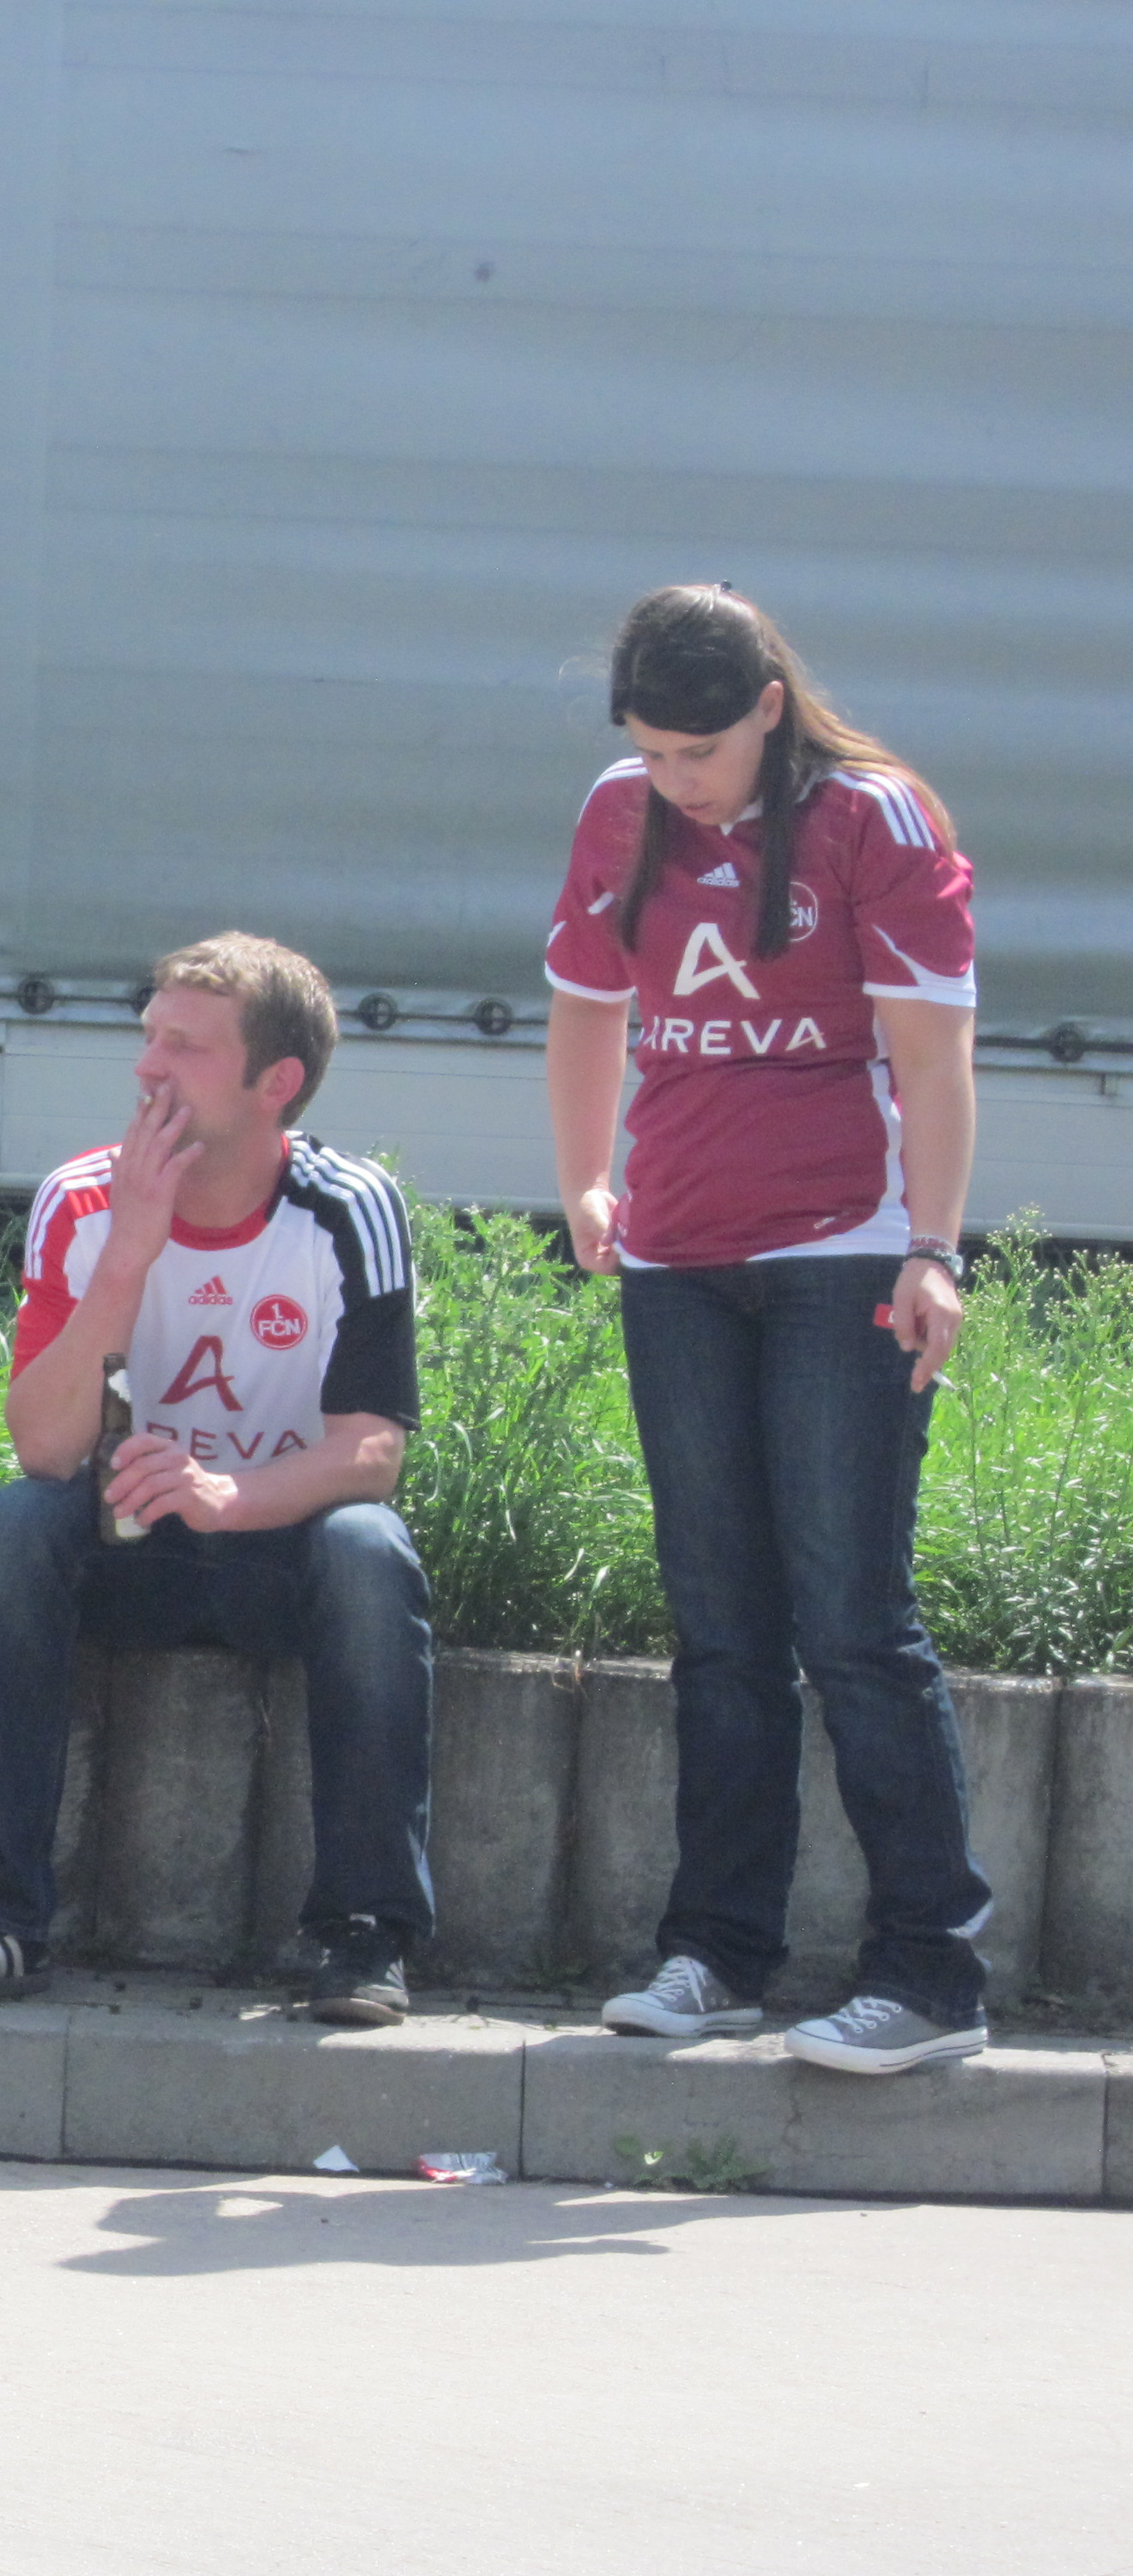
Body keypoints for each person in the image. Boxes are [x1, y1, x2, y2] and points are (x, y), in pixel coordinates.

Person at [547, 583, 992, 2075]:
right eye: (650, 750)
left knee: (851, 1620)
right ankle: (718, 1955)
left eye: (701, 753)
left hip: (842, 1245)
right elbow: (586, 1006)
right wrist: (587, 1177)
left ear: (768, 709)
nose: (675, 780)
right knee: (721, 1624)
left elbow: (934, 1058)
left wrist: (933, 1247)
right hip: (677, 1254)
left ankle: (930, 1974)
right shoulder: (619, 813)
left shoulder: (877, 819)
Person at [0, 934, 433, 2024]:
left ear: (274, 1082)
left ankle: (365, 1933)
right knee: (13, 1526)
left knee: (368, 1550)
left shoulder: (349, 1206)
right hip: (124, 1546)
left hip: (275, 1547)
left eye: (184, 1047)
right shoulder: (81, 1199)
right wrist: (131, 1253)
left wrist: (231, 1496)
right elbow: (45, 1451)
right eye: (148, 1037)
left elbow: (372, 1452)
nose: (146, 1067)